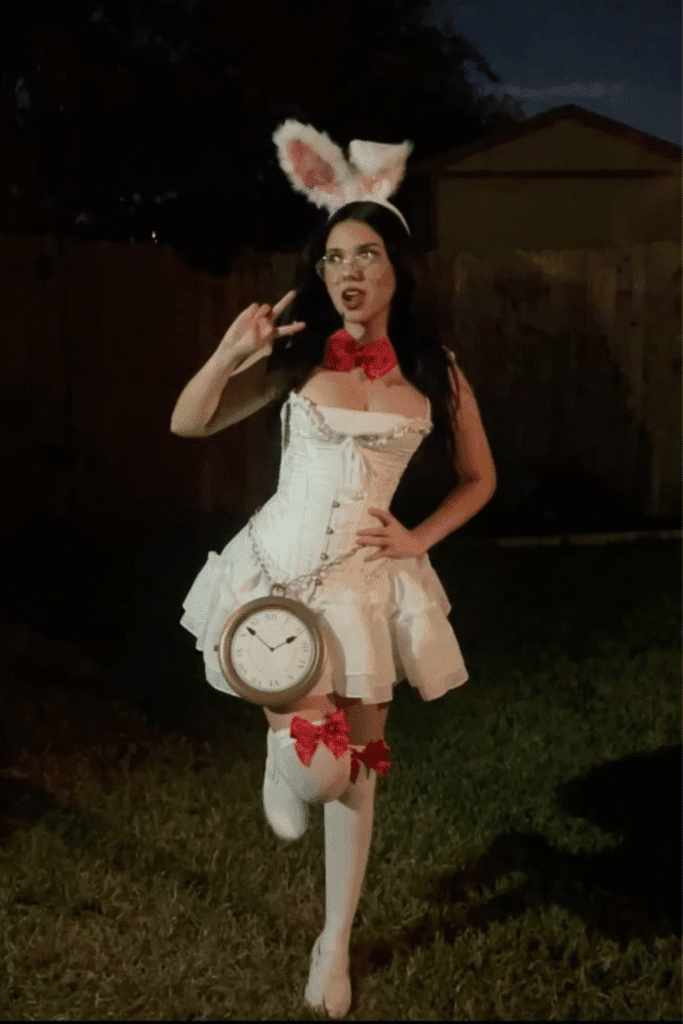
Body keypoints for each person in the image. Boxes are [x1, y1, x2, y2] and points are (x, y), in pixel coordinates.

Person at [170, 123, 496, 1019]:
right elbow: (188, 423)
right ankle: (285, 767)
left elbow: (480, 479)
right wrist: (231, 354)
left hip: (366, 588)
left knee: (356, 771)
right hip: (278, 573)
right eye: (334, 258)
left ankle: (333, 942)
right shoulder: (297, 359)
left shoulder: (438, 372)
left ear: (397, 268)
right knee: (316, 768)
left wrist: (419, 538)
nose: (349, 272)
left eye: (367, 255)